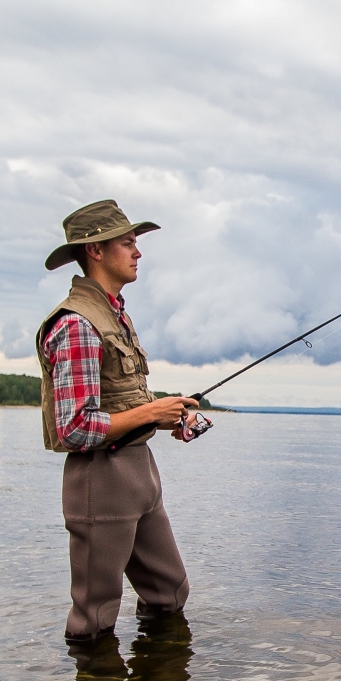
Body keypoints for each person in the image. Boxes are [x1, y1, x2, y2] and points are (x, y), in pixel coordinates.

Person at [36, 199, 203, 643]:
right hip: (101, 478)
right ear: (95, 250)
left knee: (169, 594)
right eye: (128, 243)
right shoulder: (77, 323)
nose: (138, 252)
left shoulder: (115, 314)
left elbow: (118, 399)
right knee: (95, 617)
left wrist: (168, 417)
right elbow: (75, 426)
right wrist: (152, 411)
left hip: (138, 471)